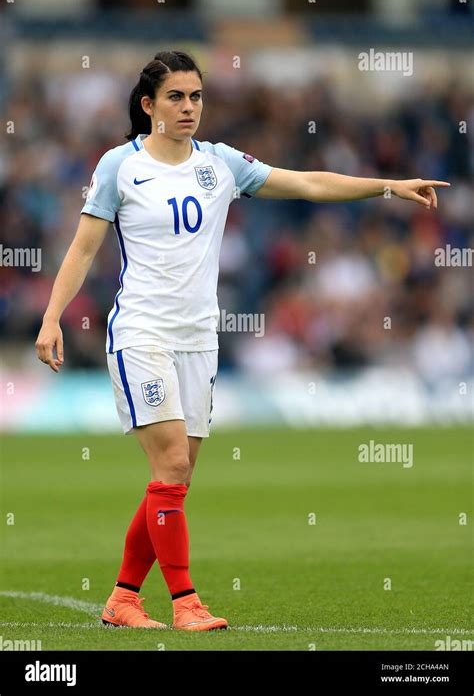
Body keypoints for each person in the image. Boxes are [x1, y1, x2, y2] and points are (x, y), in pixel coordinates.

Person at [35, 50, 449, 631]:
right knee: (173, 466)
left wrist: (387, 186)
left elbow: (306, 182)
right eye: (176, 97)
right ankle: (186, 604)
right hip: (141, 333)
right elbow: (82, 248)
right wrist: (53, 317)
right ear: (148, 105)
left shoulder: (221, 163)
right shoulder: (118, 166)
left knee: (173, 481)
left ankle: (122, 598)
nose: (189, 108)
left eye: (197, 96)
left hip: (200, 339)